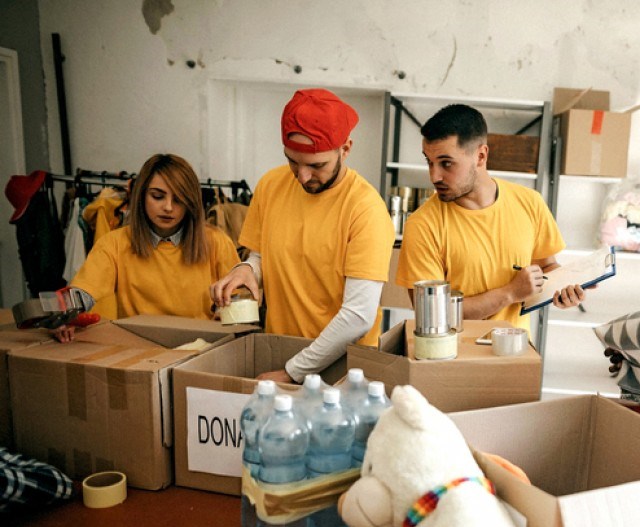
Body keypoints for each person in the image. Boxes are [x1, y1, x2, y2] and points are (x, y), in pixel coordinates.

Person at [210, 88, 394, 384]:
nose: (302, 176)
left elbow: (358, 316)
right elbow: (262, 255)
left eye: (316, 165)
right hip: (280, 353)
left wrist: (293, 372)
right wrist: (247, 270)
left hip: (344, 373)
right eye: (293, 161)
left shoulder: (365, 210)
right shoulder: (271, 185)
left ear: (345, 149)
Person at [396, 104, 585, 332]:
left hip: (514, 354)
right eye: (429, 161)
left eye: (446, 163)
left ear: (481, 156)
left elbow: (547, 265)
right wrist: (510, 293)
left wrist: (565, 287)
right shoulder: (422, 225)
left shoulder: (530, 202)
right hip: (453, 361)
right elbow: (433, 314)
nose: (434, 176)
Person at [53, 154, 241, 342]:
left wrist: (227, 312)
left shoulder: (217, 243)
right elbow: (85, 289)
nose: (168, 207)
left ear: (191, 202)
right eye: (157, 196)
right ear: (141, 195)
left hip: (202, 350)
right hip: (139, 353)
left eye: (179, 199)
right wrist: (64, 315)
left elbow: (240, 300)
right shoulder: (114, 244)